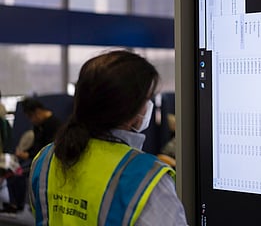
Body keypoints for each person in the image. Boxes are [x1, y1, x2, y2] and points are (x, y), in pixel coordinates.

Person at [29, 50, 187, 225]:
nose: (148, 106)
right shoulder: (146, 180)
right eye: (146, 99)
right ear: (130, 109)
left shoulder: (44, 160)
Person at [2, 98, 62, 214]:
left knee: (19, 174)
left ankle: (21, 204)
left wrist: (28, 154)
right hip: (36, 158)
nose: (31, 120)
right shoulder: (38, 126)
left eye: (30, 116)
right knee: (13, 171)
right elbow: (36, 146)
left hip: (47, 161)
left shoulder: (54, 125)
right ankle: (16, 204)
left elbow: (48, 150)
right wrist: (26, 153)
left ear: (38, 112)